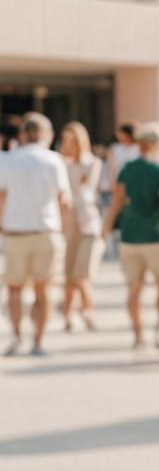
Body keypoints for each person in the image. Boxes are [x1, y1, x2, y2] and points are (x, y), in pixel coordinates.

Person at [0, 112, 71, 356]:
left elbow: (1, 196)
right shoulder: (53, 160)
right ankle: (38, 342)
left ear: (22, 135)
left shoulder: (8, 160)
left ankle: (17, 336)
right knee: (43, 289)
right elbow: (64, 200)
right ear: (47, 135)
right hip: (46, 230)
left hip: (15, 232)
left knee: (14, 289)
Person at [103, 123, 159, 352]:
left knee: (134, 287)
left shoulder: (128, 168)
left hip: (130, 235)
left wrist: (106, 226)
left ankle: (138, 334)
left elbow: (117, 202)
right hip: (155, 235)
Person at [59, 121, 104, 332]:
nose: (69, 144)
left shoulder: (92, 163)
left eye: (72, 140)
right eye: (66, 139)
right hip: (68, 225)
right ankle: (69, 315)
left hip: (88, 224)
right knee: (68, 273)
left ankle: (88, 312)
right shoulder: (60, 164)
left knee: (81, 273)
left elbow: (85, 190)